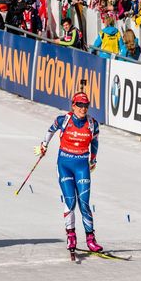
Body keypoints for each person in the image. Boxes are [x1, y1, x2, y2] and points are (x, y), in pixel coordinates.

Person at [37, 92, 103, 254]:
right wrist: (44, 145)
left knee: (85, 203)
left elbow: (94, 142)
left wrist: (93, 159)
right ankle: (71, 235)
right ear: (73, 105)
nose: (83, 108)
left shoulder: (92, 124)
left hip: (81, 166)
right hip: (64, 165)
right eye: (80, 105)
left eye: (86, 105)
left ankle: (90, 239)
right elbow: (50, 130)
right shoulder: (64, 120)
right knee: (70, 201)